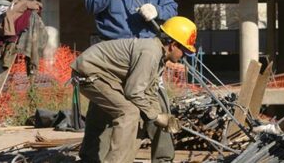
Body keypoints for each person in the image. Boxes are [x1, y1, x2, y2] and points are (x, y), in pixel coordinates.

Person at [83, 0, 178, 162]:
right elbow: (91, 6)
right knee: (103, 112)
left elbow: (171, 9)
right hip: (112, 58)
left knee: (158, 107)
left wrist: (159, 11)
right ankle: (91, 158)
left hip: (146, 56)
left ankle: (163, 159)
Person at [72, 17, 197, 163]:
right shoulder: (150, 53)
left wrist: (161, 116)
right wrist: (156, 117)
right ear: (173, 45)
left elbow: (149, 92)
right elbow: (134, 92)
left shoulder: (158, 56)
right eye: (184, 51)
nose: (183, 57)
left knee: (136, 114)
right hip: (89, 73)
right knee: (129, 112)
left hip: (104, 75)